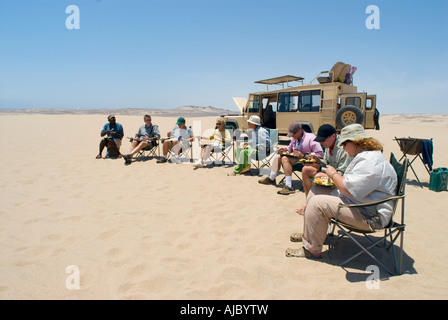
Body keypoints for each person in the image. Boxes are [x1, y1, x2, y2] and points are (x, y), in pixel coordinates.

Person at [285, 124, 398, 258]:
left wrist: (332, 174)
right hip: (361, 205)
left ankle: (312, 249)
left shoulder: (370, 161)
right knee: (317, 189)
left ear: (356, 142)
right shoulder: (366, 156)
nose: (343, 147)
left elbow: (348, 189)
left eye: (345, 144)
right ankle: (312, 236)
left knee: (317, 203)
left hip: (370, 215)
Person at [295, 124, 352, 214]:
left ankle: (313, 205)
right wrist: (317, 160)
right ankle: (308, 202)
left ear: (333, 136)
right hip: (330, 172)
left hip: (339, 179)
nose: (321, 143)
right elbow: (326, 161)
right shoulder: (328, 146)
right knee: (306, 169)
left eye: (323, 140)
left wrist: (321, 168)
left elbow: (341, 173)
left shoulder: (343, 148)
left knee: (319, 175)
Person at [258, 122, 323, 195]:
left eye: (293, 134)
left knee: (284, 158)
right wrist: (285, 149)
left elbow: (320, 154)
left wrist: (304, 156)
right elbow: (290, 148)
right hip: (298, 160)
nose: (291, 136)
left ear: (299, 131)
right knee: (278, 156)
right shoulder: (295, 138)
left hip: (308, 162)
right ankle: (271, 178)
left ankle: (289, 186)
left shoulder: (311, 138)